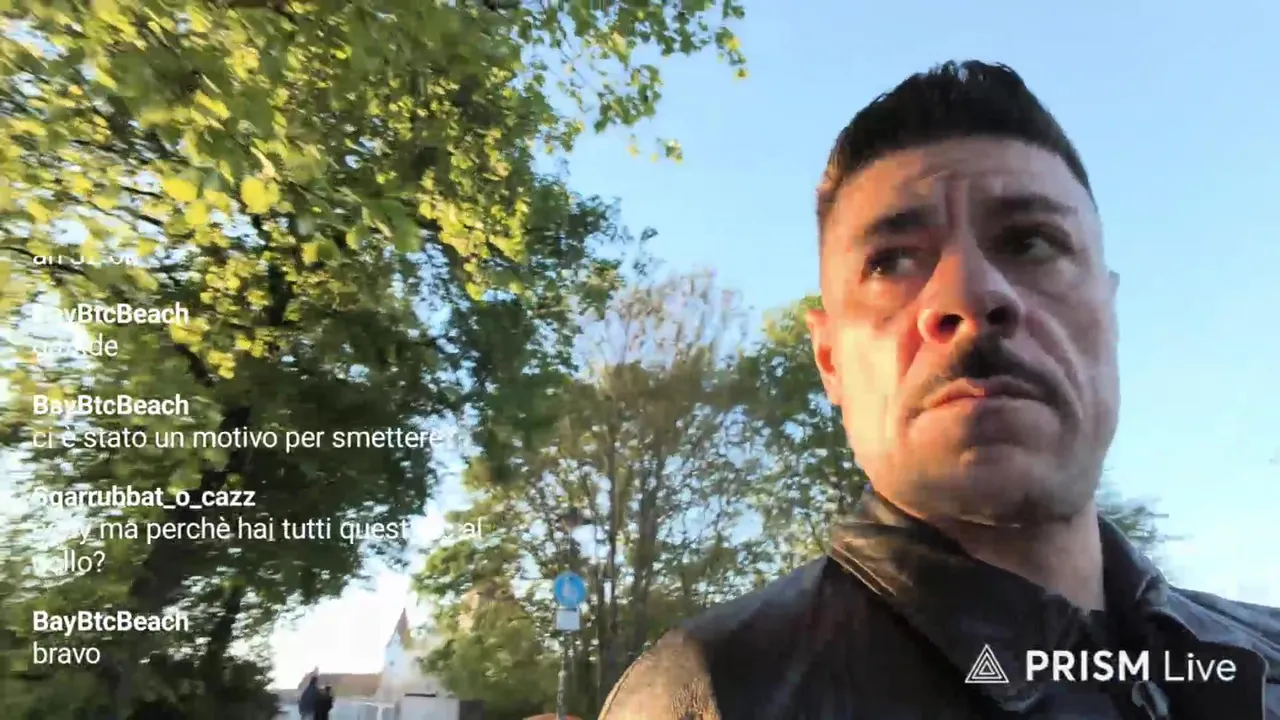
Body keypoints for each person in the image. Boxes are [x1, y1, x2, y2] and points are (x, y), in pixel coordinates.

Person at [598, 60, 1280, 719]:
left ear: (1111, 315)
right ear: (830, 360)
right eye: (891, 262)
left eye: (1031, 242)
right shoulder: (713, 696)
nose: (971, 295)